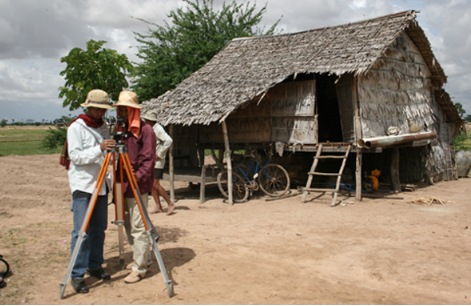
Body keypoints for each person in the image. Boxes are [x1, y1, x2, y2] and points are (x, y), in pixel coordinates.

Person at [61, 89, 116, 294]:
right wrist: (100, 148)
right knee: (81, 232)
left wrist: (112, 149)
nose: (101, 113)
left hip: (101, 185)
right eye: (98, 109)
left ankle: (95, 265)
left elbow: (106, 152)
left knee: (99, 229)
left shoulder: (104, 127)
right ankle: (77, 274)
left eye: (104, 109)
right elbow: (76, 157)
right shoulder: (76, 127)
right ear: (89, 107)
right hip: (83, 185)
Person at [113, 91, 157, 284]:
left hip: (137, 186)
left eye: (125, 109)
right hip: (121, 184)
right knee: (128, 224)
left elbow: (148, 160)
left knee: (139, 227)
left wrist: (135, 176)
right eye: (119, 109)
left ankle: (140, 268)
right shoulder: (120, 130)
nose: (121, 112)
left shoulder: (146, 130)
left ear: (133, 110)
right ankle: (143, 259)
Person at [141, 112, 175, 215]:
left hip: (157, 161)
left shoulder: (158, 129)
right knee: (151, 184)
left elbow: (169, 140)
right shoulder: (151, 129)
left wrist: (159, 154)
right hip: (151, 160)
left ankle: (170, 203)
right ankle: (158, 206)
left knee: (155, 183)